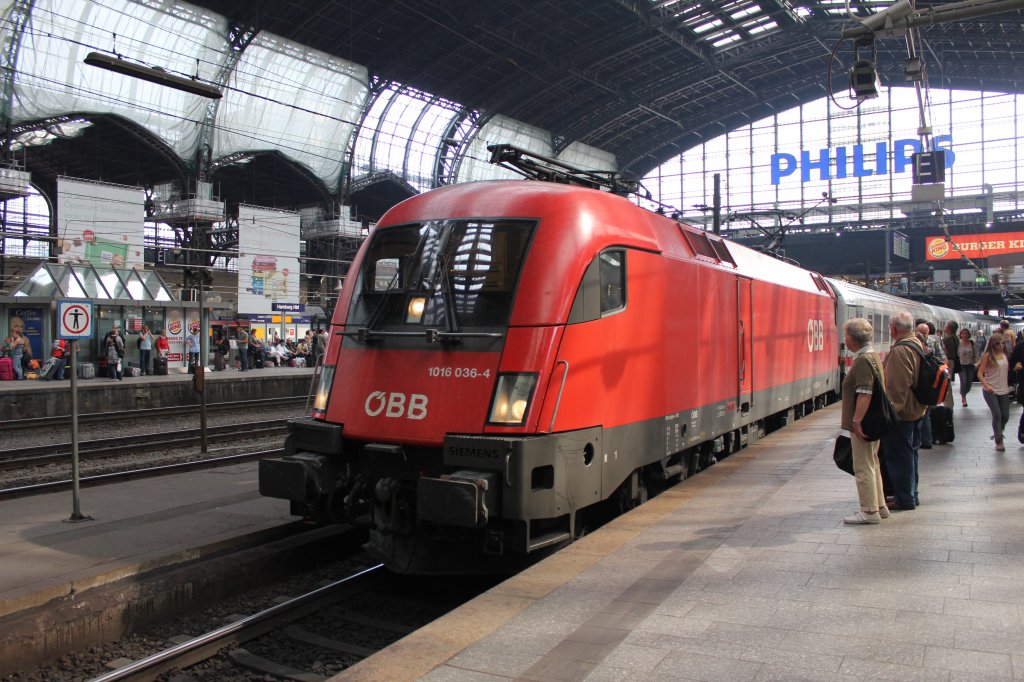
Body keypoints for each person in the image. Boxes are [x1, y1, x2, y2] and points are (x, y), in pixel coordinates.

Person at [841, 318, 888, 524]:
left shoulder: (862, 360)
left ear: (852, 338)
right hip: (873, 420)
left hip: (865, 422)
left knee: (862, 465)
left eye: (846, 335)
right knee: (872, 462)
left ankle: (869, 511)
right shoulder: (873, 356)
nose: (845, 339)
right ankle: (879, 506)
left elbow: (865, 393)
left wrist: (856, 421)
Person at [880, 311, 927, 511]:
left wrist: (890, 414)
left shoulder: (901, 350)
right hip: (916, 411)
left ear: (894, 329)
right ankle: (911, 494)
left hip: (903, 415)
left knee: (900, 457)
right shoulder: (917, 344)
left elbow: (897, 386)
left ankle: (904, 498)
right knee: (910, 455)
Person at [978, 331, 1013, 451]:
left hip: (1004, 389)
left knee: (1005, 415)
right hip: (990, 389)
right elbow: (980, 373)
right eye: (998, 343)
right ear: (992, 344)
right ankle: (999, 440)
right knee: (997, 414)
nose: (1001, 345)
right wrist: (986, 385)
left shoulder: (1005, 355)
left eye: (1002, 343)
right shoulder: (987, 356)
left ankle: (999, 431)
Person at [957, 328, 979, 407]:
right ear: (960, 335)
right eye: (963, 333)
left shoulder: (972, 343)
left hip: (970, 365)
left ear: (969, 334)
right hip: (961, 365)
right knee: (964, 381)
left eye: (966, 333)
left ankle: (965, 392)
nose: (964, 335)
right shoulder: (958, 343)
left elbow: (976, 353)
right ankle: (964, 398)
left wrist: (977, 364)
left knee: (969, 383)